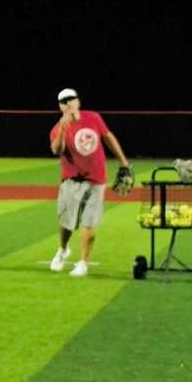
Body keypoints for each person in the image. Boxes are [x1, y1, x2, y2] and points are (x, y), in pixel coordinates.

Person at [48, 88, 130, 277]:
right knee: (67, 223)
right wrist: (62, 127)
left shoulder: (93, 117)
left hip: (96, 179)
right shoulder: (56, 129)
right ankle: (63, 249)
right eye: (64, 101)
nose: (68, 103)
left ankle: (83, 263)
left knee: (89, 223)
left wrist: (124, 162)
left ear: (78, 101)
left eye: (71, 99)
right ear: (60, 106)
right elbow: (57, 150)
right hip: (71, 180)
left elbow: (108, 138)